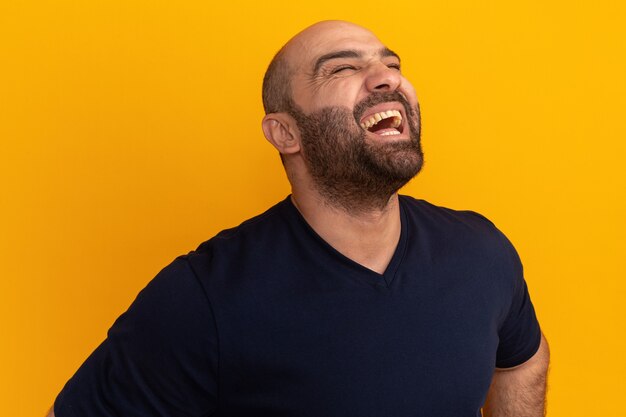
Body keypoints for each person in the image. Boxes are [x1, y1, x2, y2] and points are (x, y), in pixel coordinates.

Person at [48, 20, 549, 417]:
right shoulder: (204, 299)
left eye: (391, 64)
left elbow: (523, 359)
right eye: (340, 69)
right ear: (285, 133)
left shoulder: (482, 251)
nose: (388, 77)